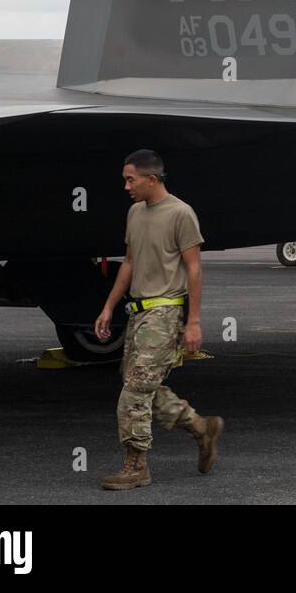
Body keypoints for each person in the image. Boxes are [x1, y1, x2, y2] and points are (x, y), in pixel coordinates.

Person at [95, 149, 223, 490]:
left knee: (133, 393)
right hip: (137, 312)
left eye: (130, 179)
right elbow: (129, 263)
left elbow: (194, 268)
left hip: (165, 312)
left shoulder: (181, 213)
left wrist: (193, 321)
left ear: (152, 179)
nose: (126, 186)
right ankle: (200, 427)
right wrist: (108, 306)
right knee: (141, 385)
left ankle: (136, 466)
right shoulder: (135, 212)